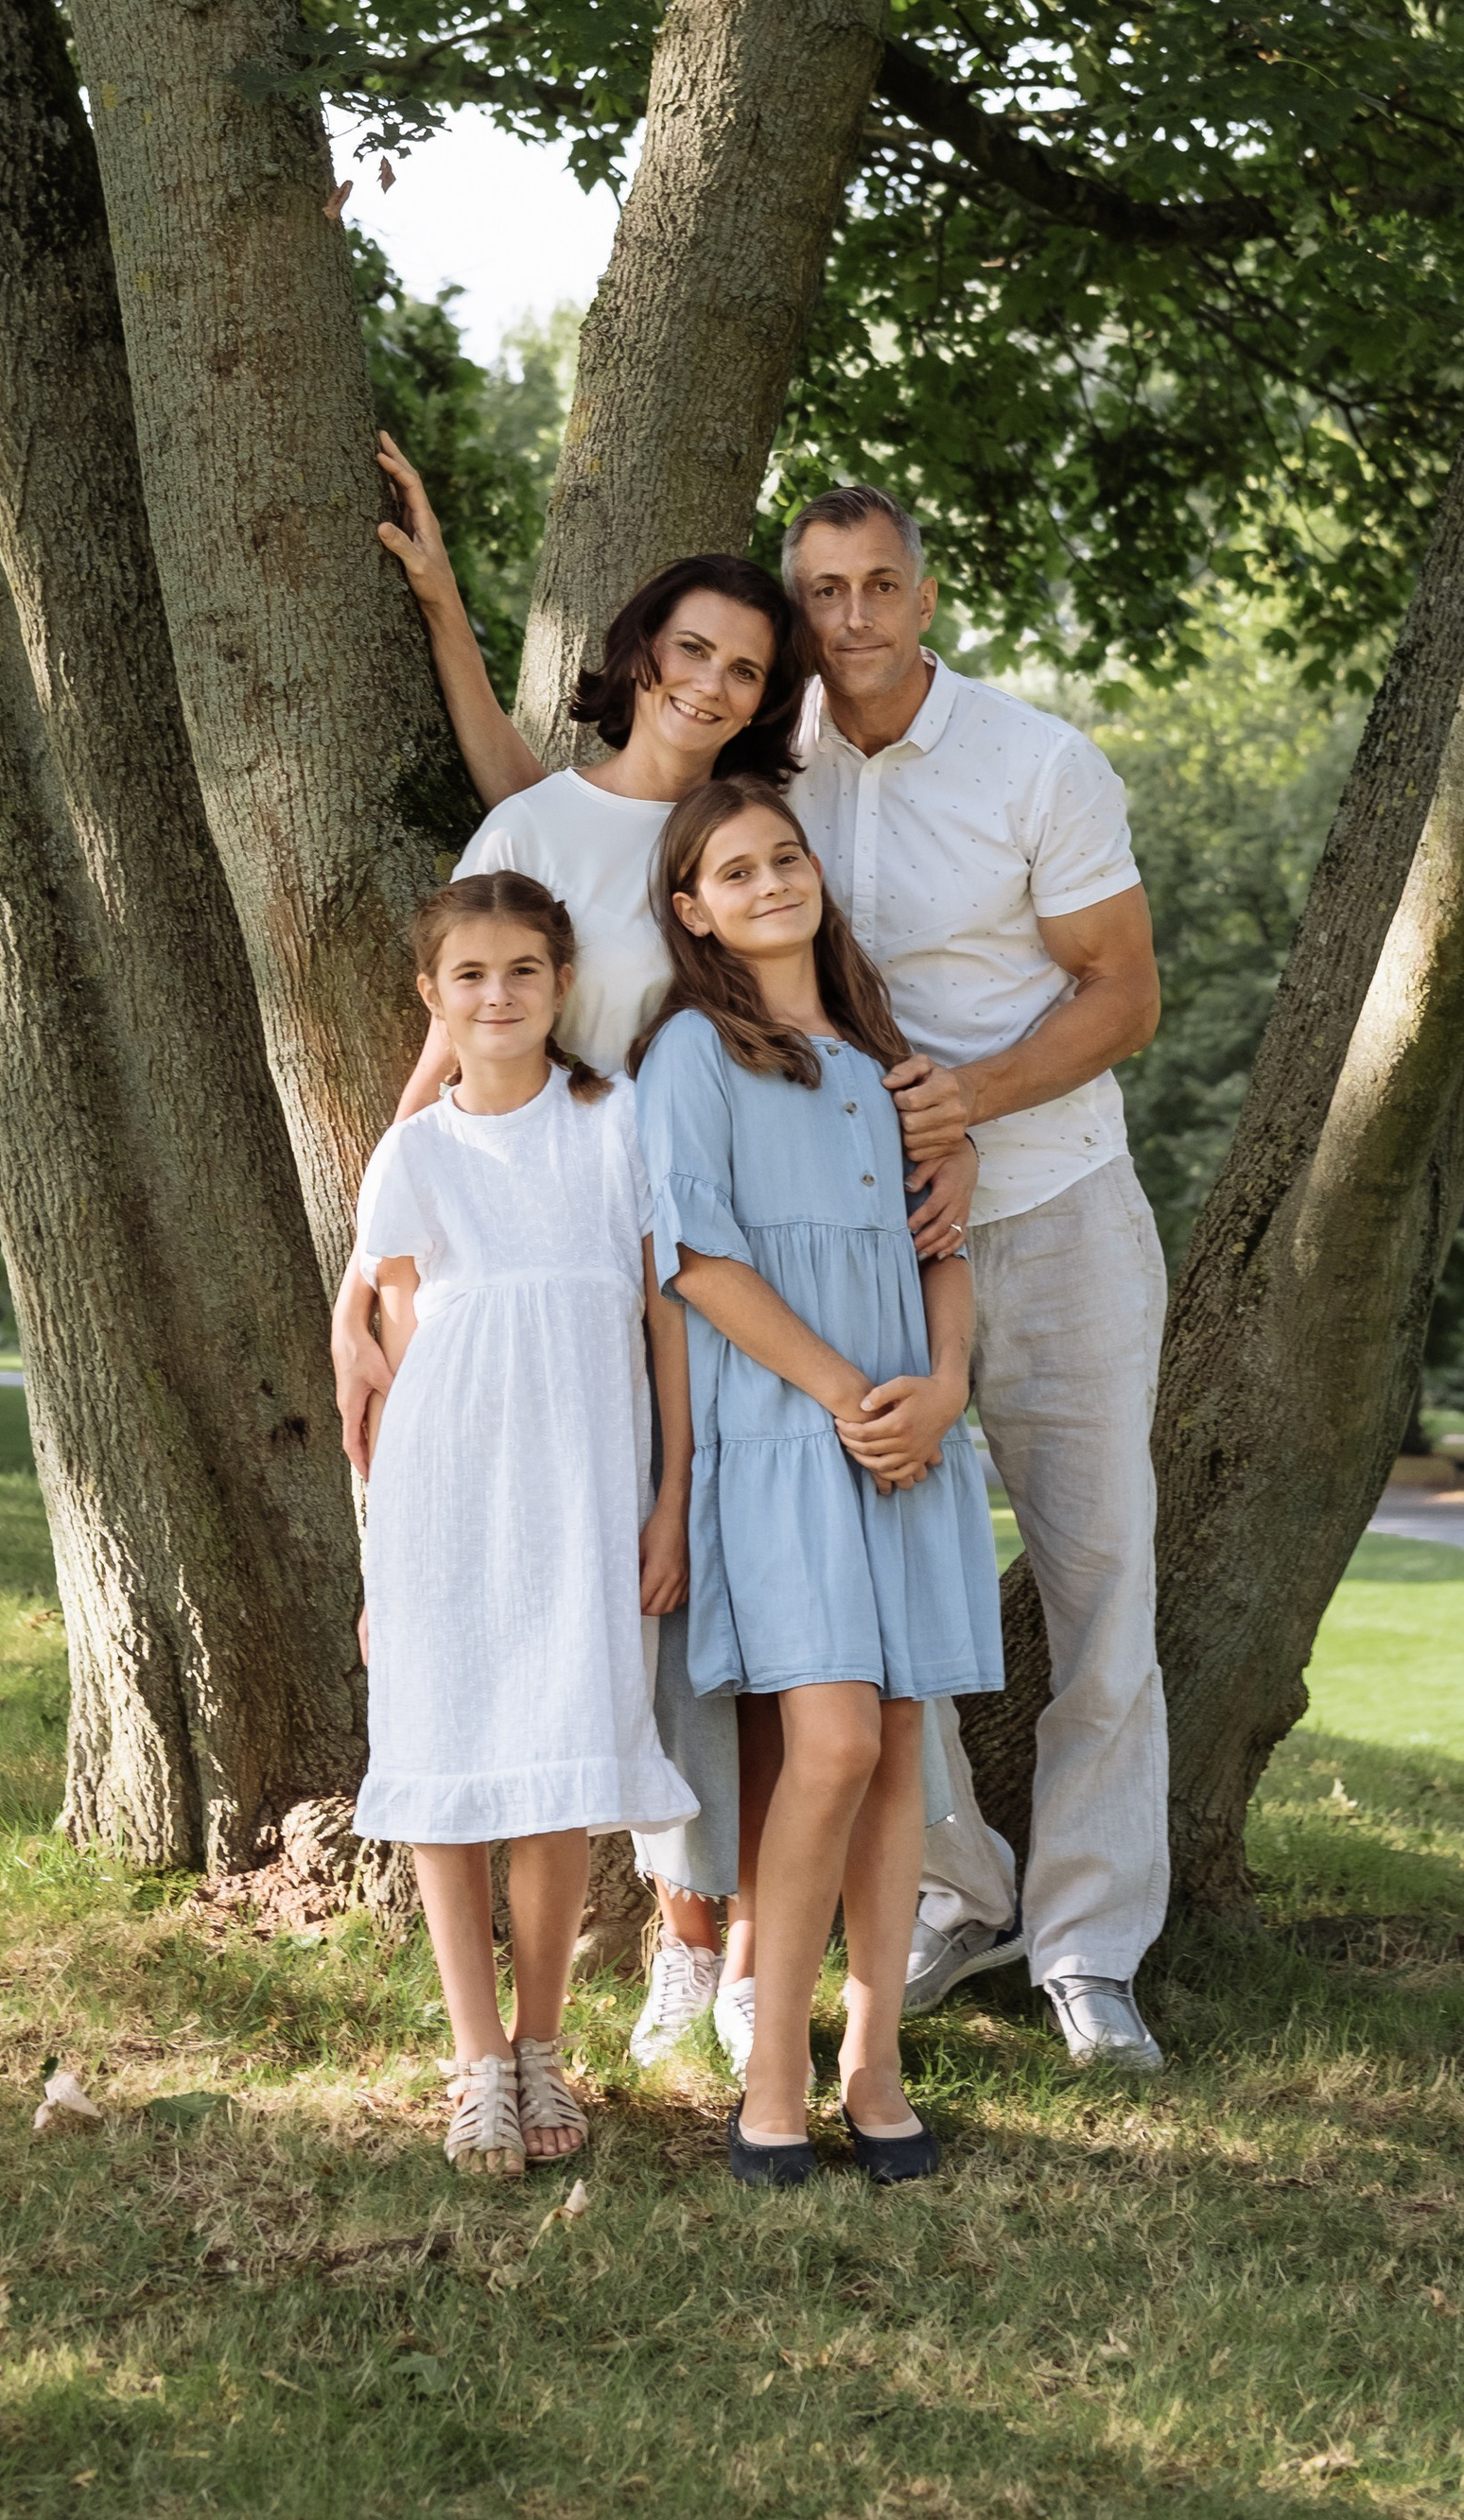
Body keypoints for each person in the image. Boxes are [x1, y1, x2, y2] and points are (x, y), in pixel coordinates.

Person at [337, 436, 971, 2075]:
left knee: (750, 1615)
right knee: (629, 1614)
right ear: (636, 658)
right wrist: (369, 1264)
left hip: (701, 1249)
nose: (710, 680)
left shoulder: (732, 835)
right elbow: (468, 1022)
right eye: (690, 649)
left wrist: (937, 1132)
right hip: (561, 1250)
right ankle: (684, 1941)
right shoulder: (541, 823)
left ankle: (763, 1952)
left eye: (746, 668)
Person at [782, 484, 1170, 2075]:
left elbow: (1125, 992)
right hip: (867, 1241)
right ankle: (958, 1892)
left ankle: (1092, 1945)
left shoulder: (1037, 759)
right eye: (824, 590)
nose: (856, 616)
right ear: (795, 604)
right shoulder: (763, 768)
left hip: (1057, 1205)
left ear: (925, 594)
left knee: (1102, 1588)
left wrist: (971, 1098)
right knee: (902, 1601)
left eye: (881, 584)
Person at [634, 779, 1001, 2184]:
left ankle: (876, 2061)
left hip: (912, 1429)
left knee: (903, 1743)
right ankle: (772, 2067)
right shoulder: (693, 1057)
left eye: (788, 856)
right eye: (737, 868)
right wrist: (848, 1393)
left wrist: (944, 1384)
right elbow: (700, 1262)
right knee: (834, 1740)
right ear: (694, 909)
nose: (773, 880)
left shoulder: (887, 1058)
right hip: (790, 1434)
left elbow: (944, 1246)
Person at [351, 870, 696, 2176]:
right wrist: (384, 1550)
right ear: (432, 996)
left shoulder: (615, 1124)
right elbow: (396, 1343)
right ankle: (477, 2061)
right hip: (446, 1490)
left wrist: (671, 1495)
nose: (499, 995)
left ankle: (545, 2042)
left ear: (561, 985)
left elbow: (665, 1319)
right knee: (448, 1770)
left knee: (554, 1766)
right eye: (471, 975)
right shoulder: (416, 1151)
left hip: (586, 1488)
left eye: (525, 971)